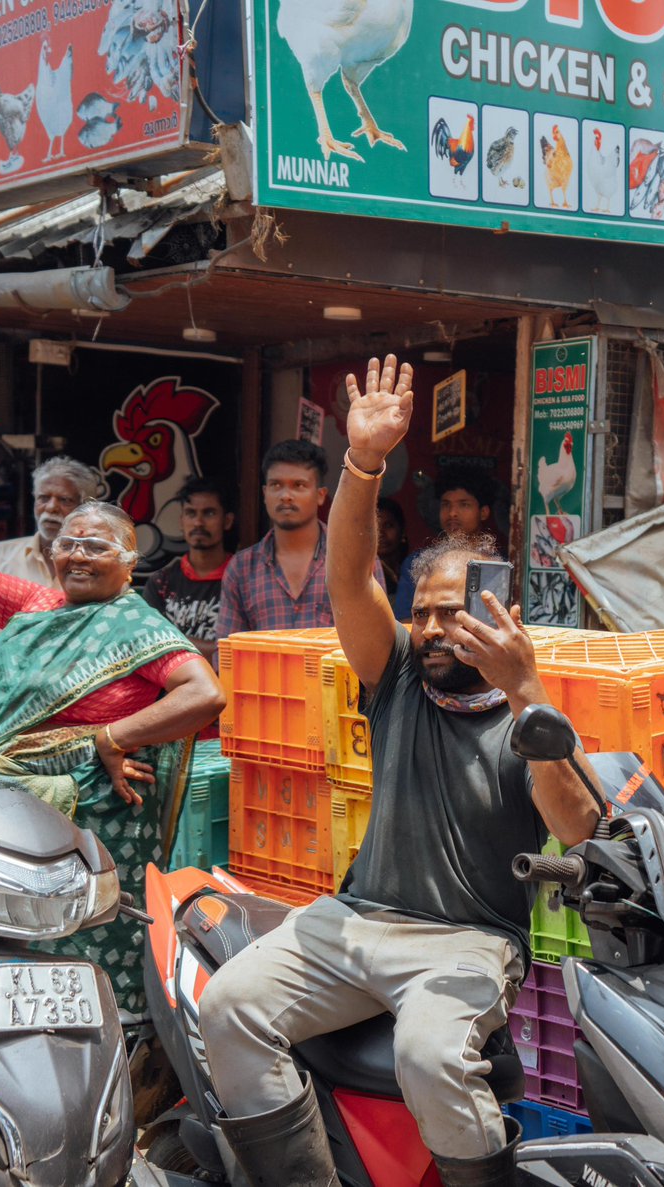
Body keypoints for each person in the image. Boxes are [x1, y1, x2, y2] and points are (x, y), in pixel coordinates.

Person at [198, 356, 599, 1187]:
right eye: (421, 612)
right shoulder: (399, 683)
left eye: (453, 611)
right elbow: (347, 576)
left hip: (469, 940)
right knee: (228, 1007)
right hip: (354, 920)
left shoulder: (532, 719)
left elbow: (580, 827)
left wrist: (527, 691)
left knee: (430, 1053)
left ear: (501, 613)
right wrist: (362, 462)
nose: (432, 627)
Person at [0, 410, 225, 1013]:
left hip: (94, 821)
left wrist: (113, 737)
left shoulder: (138, 622)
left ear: (130, 560)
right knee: (2, 951)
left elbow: (203, 694)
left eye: (96, 546)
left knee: (86, 956)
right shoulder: (32, 604)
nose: (77, 555)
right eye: (67, 544)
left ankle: (111, 1060)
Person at [0, 455, 101, 747]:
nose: (51, 508)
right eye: (43, 498)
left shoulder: (99, 571)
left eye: (65, 500)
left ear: (85, 508)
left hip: (68, 735)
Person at [215, 439, 385, 641]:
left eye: (299, 485)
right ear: (264, 493)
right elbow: (226, 652)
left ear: (320, 495)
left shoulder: (357, 558)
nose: (285, 496)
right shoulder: (241, 569)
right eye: (275, 485)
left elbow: (377, 639)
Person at [143, 475, 234, 666]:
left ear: (227, 521)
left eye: (209, 513)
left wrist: (174, 644)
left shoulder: (242, 579)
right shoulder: (161, 582)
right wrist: (213, 650)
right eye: (191, 513)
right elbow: (150, 648)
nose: (198, 523)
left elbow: (239, 654)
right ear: (181, 521)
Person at [393, 465, 497, 620]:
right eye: (446, 504)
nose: (452, 513)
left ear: (483, 512)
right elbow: (405, 621)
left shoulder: (496, 565)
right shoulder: (418, 563)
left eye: (464, 504)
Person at [375, 495, 408, 603]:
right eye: (375, 527)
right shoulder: (365, 577)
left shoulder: (415, 567)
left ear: (402, 530)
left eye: (388, 525)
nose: (381, 534)